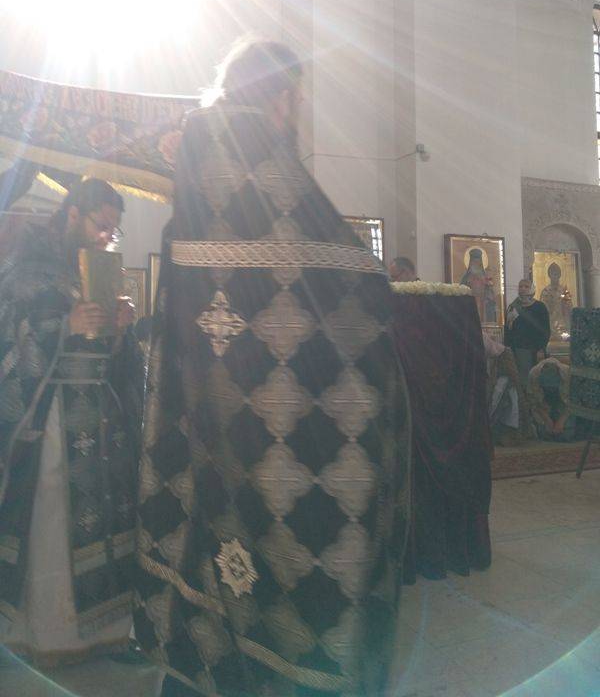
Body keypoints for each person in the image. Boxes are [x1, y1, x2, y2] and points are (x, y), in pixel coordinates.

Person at [135, 38, 410, 697]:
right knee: (294, 534)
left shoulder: (197, 162)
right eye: (297, 97)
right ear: (282, 95)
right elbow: (355, 285)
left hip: (208, 397)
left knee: (212, 523)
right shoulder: (267, 167)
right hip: (276, 411)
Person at [0, 178, 143, 668]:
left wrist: (119, 331)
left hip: (100, 421)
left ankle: (110, 631)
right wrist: (67, 327)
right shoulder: (27, 271)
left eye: (113, 231)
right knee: (54, 521)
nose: (107, 237)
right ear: (73, 215)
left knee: (109, 520)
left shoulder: (97, 272)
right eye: (101, 225)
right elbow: (11, 343)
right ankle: (50, 637)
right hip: (53, 421)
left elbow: (113, 358)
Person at [504, 279, 550, 388]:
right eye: (521, 286)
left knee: (535, 381)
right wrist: (508, 348)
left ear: (532, 289)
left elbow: (545, 330)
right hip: (518, 349)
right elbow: (508, 330)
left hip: (535, 349)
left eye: (526, 286)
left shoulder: (540, 307)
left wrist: (541, 348)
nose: (523, 289)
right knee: (520, 382)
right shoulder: (513, 307)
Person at [528, 358, 575, 442]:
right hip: (543, 406)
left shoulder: (568, 374)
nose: (551, 389)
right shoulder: (533, 375)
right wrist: (547, 419)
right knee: (544, 433)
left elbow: (574, 403)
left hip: (564, 406)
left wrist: (561, 421)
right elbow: (533, 402)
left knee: (566, 435)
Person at [460, 248, 497, 324]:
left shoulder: (486, 277)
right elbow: (461, 293)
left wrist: (488, 296)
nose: (476, 263)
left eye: (478, 261)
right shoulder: (465, 278)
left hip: (483, 305)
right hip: (470, 304)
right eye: (474, 261)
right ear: (470, 263)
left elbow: (491, 294)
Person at [540, 262, 572, 339]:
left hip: (562, 320)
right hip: (550, 319)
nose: (555, 276)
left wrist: (566, 304)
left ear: (559, 275)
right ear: (549, 275)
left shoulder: (563, 290)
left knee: (564, 337)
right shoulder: (546, 291)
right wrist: (550, 306)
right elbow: (542, 307)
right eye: (553, 274)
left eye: (556, 274)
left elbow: (569, 305)